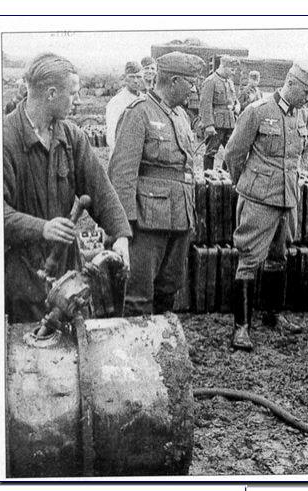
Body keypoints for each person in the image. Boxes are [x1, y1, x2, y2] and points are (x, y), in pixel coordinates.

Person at [3, 53, 131, 323]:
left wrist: (120, 234)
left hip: (67, 270)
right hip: (22, 272)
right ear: (51, 93)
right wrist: (42, 227)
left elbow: (100, 190)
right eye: (73, 93)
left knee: (74, 339)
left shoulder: (72, 137)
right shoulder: (3, 139)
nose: (79, 101)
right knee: (31, 350)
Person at [224, 61, 308, 351]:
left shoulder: (302, 115)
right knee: (249, 259)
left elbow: (302, 154)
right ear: (291, 83)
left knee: (278, 257)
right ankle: (241, 328)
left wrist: (291, 179)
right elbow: (233, 153)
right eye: (306, 92)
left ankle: (272, 314)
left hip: (287, 198)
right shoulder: (257, 111)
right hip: (258, 199)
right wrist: (245, 184)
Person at [108, 51, 205, 315]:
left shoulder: (181, 117)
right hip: (147, 221)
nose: (194, 88)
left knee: (168, 288)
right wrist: (123, 227)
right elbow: (121, 173)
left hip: (180, 218)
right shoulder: (139, 113)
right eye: (191, 82)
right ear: (174, 81)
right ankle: (138, 353)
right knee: (139, 295)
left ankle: (161, 346)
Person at [199, 55, 241, 171]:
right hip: (216, 125)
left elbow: (235, 99)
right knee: (211, 152)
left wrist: (237, 106)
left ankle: (224, 174)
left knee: (232, 151)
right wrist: (208, 125)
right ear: (223, 66)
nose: (233, 73)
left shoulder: (230, 82)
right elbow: (205, 105)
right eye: (231, 69)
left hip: (230, 123)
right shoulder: (210, 81)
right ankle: (208, 177)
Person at [105, 61, 144, 150]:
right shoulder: (116, 102)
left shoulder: (145, 99)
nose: (135, 81)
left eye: (138, 77)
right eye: (131, 77)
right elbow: (112, 135)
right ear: (125, 78)